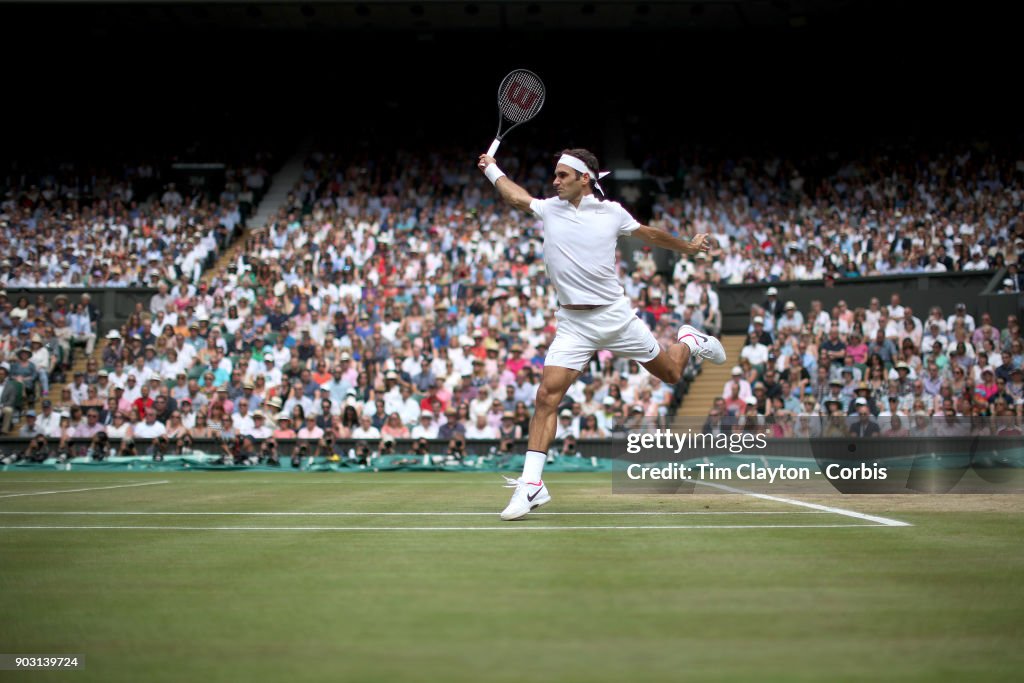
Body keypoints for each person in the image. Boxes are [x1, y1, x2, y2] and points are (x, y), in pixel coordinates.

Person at [478, 147, 726, 520]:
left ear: (584, 178)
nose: (555, 181)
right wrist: (491, 169)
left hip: (615, 318)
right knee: (547, 396)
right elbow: (516, 196)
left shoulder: (611, 213)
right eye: (555, 174)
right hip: (573, 324)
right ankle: (532, 485)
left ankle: (689, 341)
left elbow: (650, 235)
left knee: (672, 375)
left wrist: (687, 247)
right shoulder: (549, 208)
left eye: (563, 175)